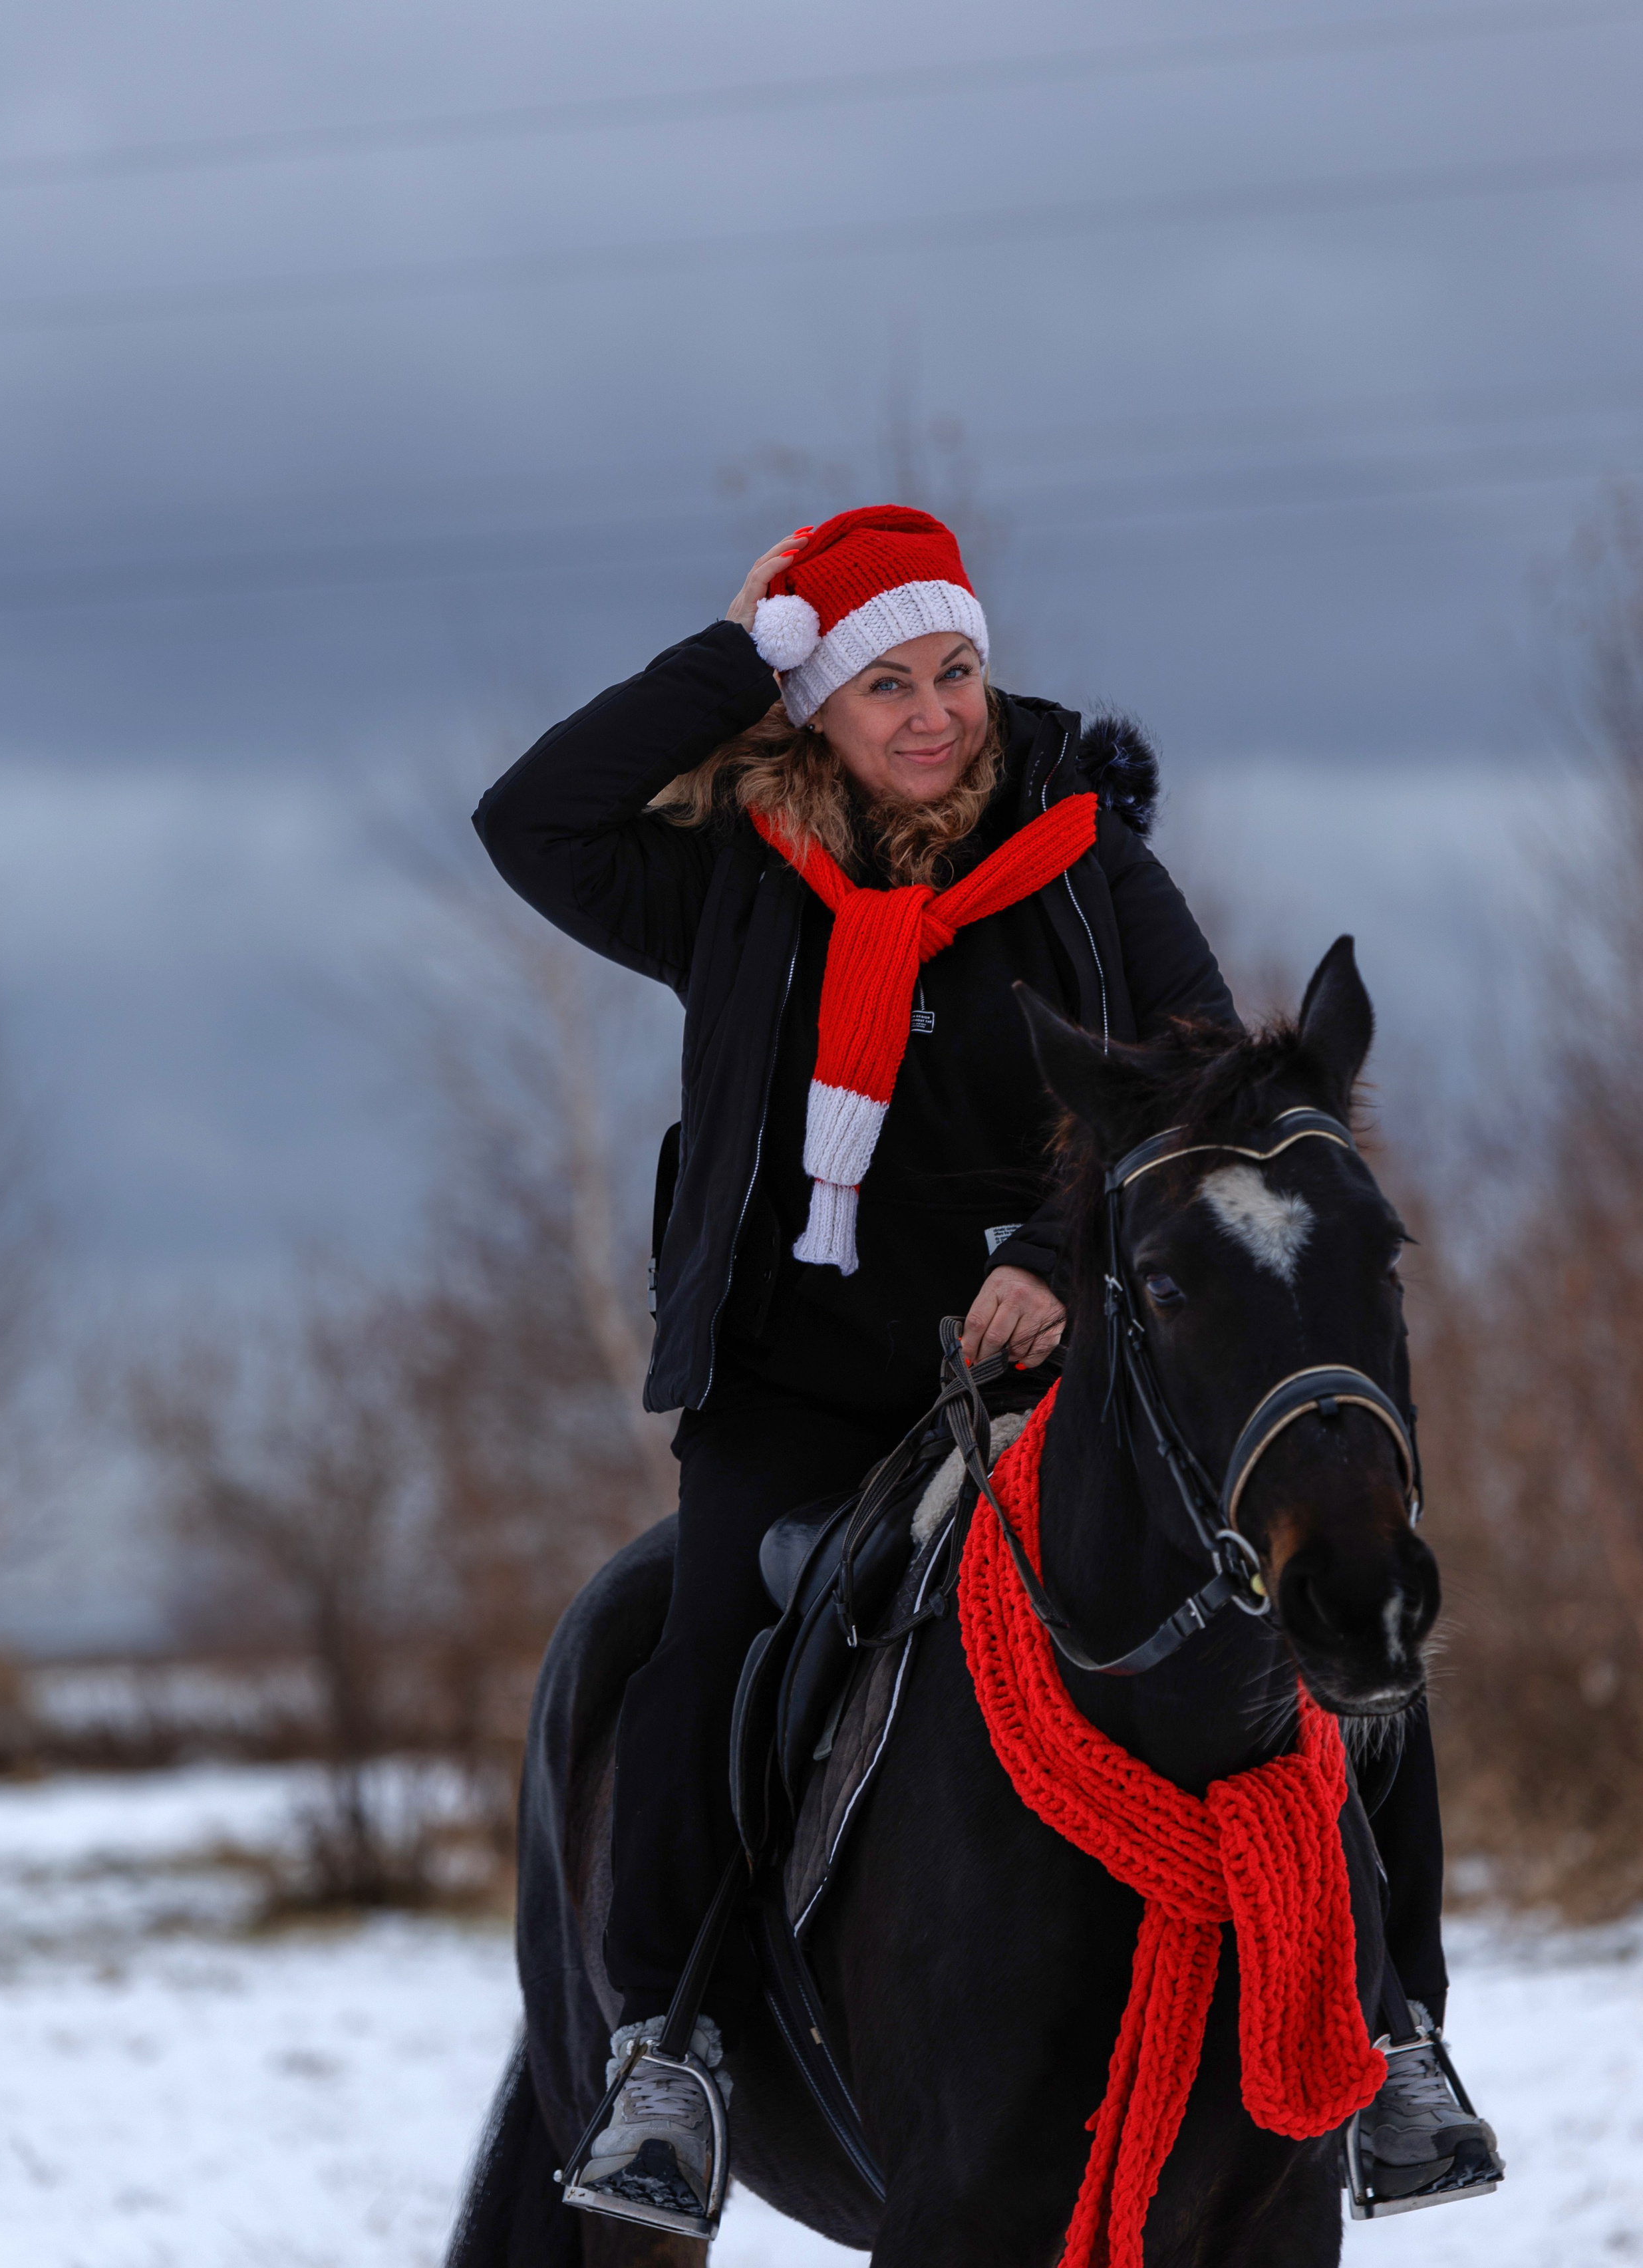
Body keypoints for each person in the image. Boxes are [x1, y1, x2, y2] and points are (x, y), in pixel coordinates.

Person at [474, 504, 1491, 2233]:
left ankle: (1393, 2034)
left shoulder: (1090, 866)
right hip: (799, 1384)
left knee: (1324, 1625)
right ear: (814, 706)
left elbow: (1205, 1111)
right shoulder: (732, 883)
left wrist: (1041, 1256)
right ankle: (668, 2045)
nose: (940, 712)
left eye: (958, 669)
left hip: (1041, 1372)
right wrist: (734, 654)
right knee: (701, 1632)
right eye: (886, 684)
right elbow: (530, 819)